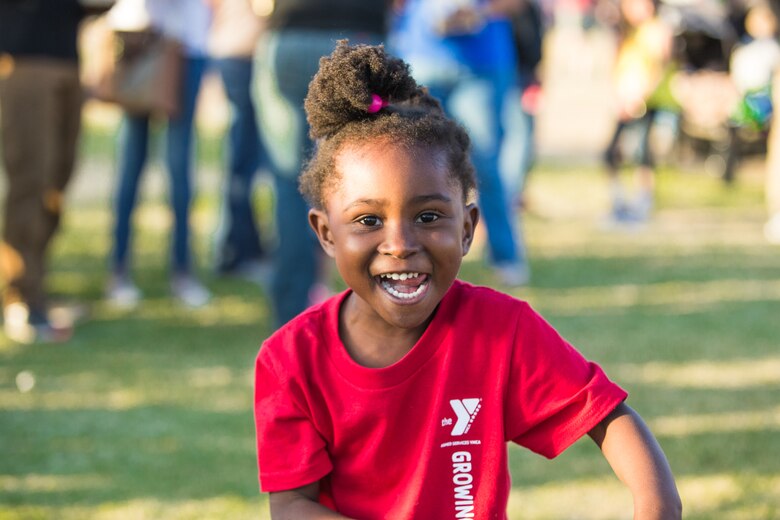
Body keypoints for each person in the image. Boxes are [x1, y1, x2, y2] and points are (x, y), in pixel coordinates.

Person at [253, 42, 682, 519]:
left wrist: (657, 504)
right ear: (326, 233)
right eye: (368, 221)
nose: (400, 243)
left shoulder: (501, 329)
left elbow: (604, 415)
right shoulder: (290, 359)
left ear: (467, 228)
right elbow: (291, 505)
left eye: (429, 216)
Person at [253, 0, 392, 326]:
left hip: (293, 34)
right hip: (361, 36)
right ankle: (373, 309)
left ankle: (291, 317)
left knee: (291, 183)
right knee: (366, 179)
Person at [391, 0, 530, 286]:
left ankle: (505, 255)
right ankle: (411, 253)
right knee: (412, 165)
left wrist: (478, 13)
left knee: (485, 164)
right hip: (421, 57)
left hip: (480, 65)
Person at [0, 0, 106, 343]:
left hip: (67, 59)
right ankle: (18, 298)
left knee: (56, 186)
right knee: (30, 183)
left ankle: (37, 288)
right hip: (23, 59)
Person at [105, 0, 213, 309]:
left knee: (179, 167)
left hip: (186, 48)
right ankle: (119, 270)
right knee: (131, 164)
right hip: (142, 39)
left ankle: (182, 271)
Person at [207, 0, 270, 281]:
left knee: (244, 159)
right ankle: (236, 250)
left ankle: (244, 247)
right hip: (244, 53)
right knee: (243, 160)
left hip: (236, 50)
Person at [603, 0, 673, 224]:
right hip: (624, 101)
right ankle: (619, 200)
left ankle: (642, 201)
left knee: (642, 152)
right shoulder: (627, 32)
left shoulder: (656, 30)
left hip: (644, 102)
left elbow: (659, 67)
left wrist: (640, 97)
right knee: (612, 153)